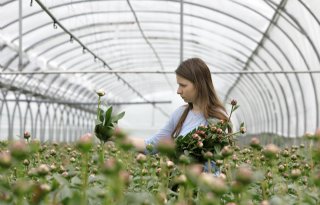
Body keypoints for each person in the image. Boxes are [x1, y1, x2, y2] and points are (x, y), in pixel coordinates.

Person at [130, 57, 230, 174]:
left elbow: (216, 163)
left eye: (183, 85)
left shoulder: (217, 119)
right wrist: (113, 135)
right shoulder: (180, 114)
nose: (178, 91)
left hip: (206, 187)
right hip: (180, 186)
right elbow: (151, 145)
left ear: (199, 85)